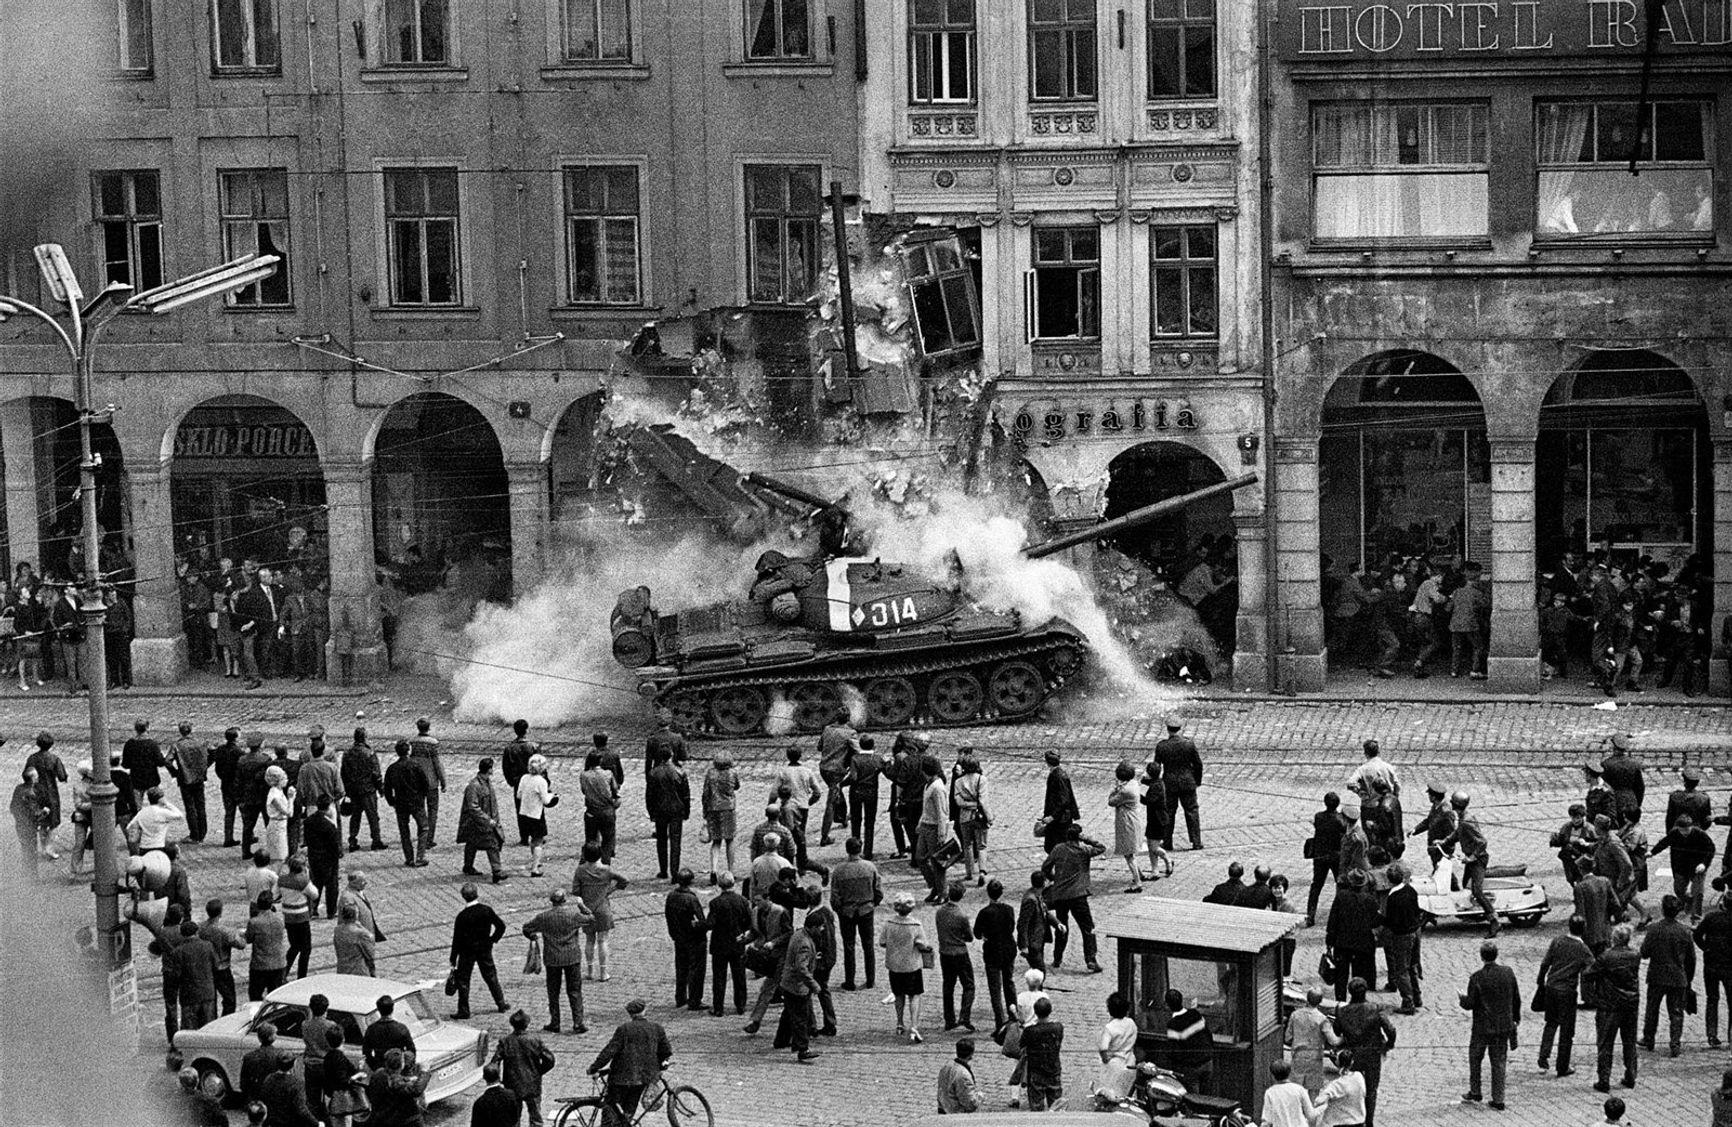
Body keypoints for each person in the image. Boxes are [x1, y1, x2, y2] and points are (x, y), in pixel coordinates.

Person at [588, 999, 672, 1127]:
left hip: (620, 1078)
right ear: (644, 1011)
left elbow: (609, 1051)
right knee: (628, 1112)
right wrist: (661, 1067)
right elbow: (666, 1051)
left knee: (610, 1112)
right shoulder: (657, 1028)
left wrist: (594, 1067)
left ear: (630, 1014)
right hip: (642, 1079)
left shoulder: (624, 1029)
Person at [522, 888, 593, 1034]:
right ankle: (578, 1022)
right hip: (571, 957)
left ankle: (555, 1022)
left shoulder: (543, 917)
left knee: (553, 992)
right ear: (564, 901)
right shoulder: (573, 915)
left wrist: (533, 937)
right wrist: (582, 906)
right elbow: (591, 918)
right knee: (574, 990)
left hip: (552, 958)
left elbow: (527, 928)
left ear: (552, 901)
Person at [1461, 940, 1519, 1111]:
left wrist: (1462, 999)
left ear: (1482, 957)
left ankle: (1475, 1091)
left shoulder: (1476, 978)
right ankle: (1498, 1099)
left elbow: (1470, 1003)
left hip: (1482, 1027)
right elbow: (1516, 998)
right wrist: (1515, 1019)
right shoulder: (1508, 973)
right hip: (1502, 1026)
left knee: (1475, 1057)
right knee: (1499, 1061)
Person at [1638, 892, 1696, 1056]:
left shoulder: (1654, 929)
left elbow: (1644, 953)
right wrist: (1688, 979)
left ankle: (1649, 1038)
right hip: (1678, 977)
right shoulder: (1684, 931)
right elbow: (1691, 959)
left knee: (1652, 1009)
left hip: (1657, 976)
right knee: (1676, 1012)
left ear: (1663, 910)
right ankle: (1675, 1043)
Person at [1043, 823, 1106, 973]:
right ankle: (1090, 959)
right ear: (1079, 836)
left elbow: (1045, 867)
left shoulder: (1058, 849)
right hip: (1078, 895)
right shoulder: (1084, 850)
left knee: (1061, 926)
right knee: (1087, 928)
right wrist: (1087, 839)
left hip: (1060, 895)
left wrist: (1054, 879)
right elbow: (1101, 847)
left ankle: (1057, 958)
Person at [1332, 977, 1394, 1127]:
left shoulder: (1342, 1011)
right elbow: (1390, 1030)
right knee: (1371, 1089)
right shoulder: (1375, 1008)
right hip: (1372, 1054)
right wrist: (1388, 1045)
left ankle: (1355, 1119)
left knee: (1353, 1087)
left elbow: (1336, 1031)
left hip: (1353, 1054)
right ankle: (1369, 1121)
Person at [1537, 915, 1593, 1077]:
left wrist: (1541, 981)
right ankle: (1562, 1066)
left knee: (1551, 1023)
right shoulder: (1583, 949)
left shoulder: (1557, 941)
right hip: (1567, 992)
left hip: (1551, 987)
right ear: (1584, 929)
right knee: (1567, 1030)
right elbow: (1592, 969)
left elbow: (1545, 963)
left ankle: (1543, 1056)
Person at [1589, 922, 1642, 1093]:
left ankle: (1604, 1079)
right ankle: (1631, 1075)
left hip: (1609, 1005)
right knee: (1629, 1042)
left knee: (1605, 1043)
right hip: (1630, 1003)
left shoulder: (1606, 957)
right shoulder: (1635, 955)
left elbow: (1589, 974)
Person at [1441, 789, 1499, 937]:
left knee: (1477, 891)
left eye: (1452, 803)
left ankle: (1494, 921)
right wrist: (1444, 841)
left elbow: (1482, 842)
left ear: (1456, 805)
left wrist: (1472, 857)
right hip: (1471, 859)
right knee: (1465, 885)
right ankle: (1474, 912)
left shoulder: (1467, 821)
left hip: (1478, 860)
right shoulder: (1462, 818)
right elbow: (1458, 834)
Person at [451, 881, 510, 1019]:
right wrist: (492, 940)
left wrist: (453, 958)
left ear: (463, 897)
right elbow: (501, 926)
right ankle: (501, 1003)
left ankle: (464, 1010)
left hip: (467, 951)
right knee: (491, 976)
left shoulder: (462, 916)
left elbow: (457, 939)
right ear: (477, 894)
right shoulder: (486, 910)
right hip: (484, 948)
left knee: (463, 980)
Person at [773, 899, 823, 1062]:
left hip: (787, 983)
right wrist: (813, 985)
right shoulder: (805, 943)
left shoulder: (798, 934)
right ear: (813, 927)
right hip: (797, 986)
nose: (821, 930)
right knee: (801, 1018)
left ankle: (780, 1040)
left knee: (789, 1013)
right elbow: (801, 968)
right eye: (820, 927)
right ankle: (803, 1049)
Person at [881, 891, 933, 1043]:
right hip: (911, 965)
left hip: (894, 965)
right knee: (914, 995)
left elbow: (882, 942)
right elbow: (923, 944)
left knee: (898, 995)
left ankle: (899, 1022)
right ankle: (914, 1025)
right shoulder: (915, 925)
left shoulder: (889, 923)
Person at [831, 836, 881, 991]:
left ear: (847, 850)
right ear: (860, 849)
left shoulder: (839, 870)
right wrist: (872, 904)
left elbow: (834, 896)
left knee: (849, 946)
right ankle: (870, 979)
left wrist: (839, 910)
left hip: (847, 911)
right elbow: (878, 891)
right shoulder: (870, 867)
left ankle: (850, 981)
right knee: (868, 945)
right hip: (866, 909)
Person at [573, 841, 628, 981]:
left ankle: (590, 971)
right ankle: (604, 973)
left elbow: (576, 890)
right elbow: (624, 880)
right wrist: (610, 890)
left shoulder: (580, 870)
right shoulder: (606, 870)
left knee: (589, 940)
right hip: (603, 908)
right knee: (603, 940)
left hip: (587, 909)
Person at [1326, 869, 1379, 1002]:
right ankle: (1358, 1000)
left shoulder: (1341, 896)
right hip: (1362, 944)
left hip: (1342, 943)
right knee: (1359, 975)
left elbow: (1333, 920)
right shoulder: (1369, 899)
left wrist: (1329, 941)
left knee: (1341, 976)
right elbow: (1375, 921)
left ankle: (1340, 1001)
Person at [1650, 814, 1716, 920]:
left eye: (1687, 830)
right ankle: (1688, 901)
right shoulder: (1674, 833)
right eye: (1682, 830)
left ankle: (1696, 916)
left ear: (1691, 826)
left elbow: (1711, 848)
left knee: (1697, 892)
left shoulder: (1700, 834)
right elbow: (1664, 842)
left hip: (1697, 867)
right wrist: (1652, 852)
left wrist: (1704, 864)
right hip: (1681, 867)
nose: (1685, 833)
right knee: (1678, 889)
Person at [973, 878, 1017, 1030]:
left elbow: (977, 933)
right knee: (1009, 982)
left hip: (992, 951)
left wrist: (985, 935)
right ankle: (1013, 1015)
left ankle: (1000, 1022)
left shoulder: (984, 912)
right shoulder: (1009, 909)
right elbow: (1011, 928)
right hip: (1008, 949)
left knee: (995, 988)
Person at [494, 1010, 551, 1127]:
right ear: (527, 1024)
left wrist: (498, 1080)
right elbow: (550, 1060)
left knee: (514, 1119)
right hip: (533, 1084)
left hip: (512, 1086)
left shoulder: (505, 1041)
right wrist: (539, 1072)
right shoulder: (535, 1040)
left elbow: (495, 1062)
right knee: (536, 1118)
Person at [1154, 717, 1204, 850]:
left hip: (1169, 784)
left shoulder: (1162, 746)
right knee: (1192, 811)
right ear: (1180, 728)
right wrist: (1197, 781)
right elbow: (1198, 764)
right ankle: (1196, 842)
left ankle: (1167, 842)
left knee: (1168, 812)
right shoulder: (1189, 744)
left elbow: (1156, 766)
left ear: (1168, 729)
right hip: (1188, 782)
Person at [706, 871, 752, 1016]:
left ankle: (718, 1007)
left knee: (719, 977)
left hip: (720, 945)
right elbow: (749, 921)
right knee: (739, 976)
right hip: (737, 943)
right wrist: (741, 932)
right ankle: (740, 1005)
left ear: (720, 885)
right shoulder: (742, 901)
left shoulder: (715, 903)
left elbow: (710, 923)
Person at [458, 758, 510, 884]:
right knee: (492, 844)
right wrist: (487, 820)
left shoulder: (486, 782)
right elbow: (473, 807)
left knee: (472, 843)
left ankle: (468, 866)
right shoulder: (474, 786)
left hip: (481, 821)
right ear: (489, 769)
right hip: (477, 822)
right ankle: (497, 871)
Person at [934, 881, 976, 1032]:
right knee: (968, 985)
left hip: (945, 953)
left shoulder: (940, 912)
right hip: (960, 953)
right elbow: (970, 937)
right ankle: (964, 1015)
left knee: (948, 985)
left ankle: (949, 1019)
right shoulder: (961, 916)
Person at [1382, 861, 1423, 1013]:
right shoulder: (1410, 890)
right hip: (1415, 931)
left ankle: (1408, 1002)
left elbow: (1392, 922)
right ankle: (1417, 996)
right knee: (1412, 966)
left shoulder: (1393, 898)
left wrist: (1380, 919)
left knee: (1401, 970)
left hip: (1402, 936)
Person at [382, 739, 431, 867]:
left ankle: (409, 858)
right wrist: (422, 796)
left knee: (404, 831)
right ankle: (420, 856)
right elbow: (425, 783)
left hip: (400, 803)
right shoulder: (415, 765)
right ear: (409, 751)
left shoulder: (392, 768)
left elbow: (387, 788)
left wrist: (391, 802)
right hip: (416, 802)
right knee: (424, 828)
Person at [1284, 987, 1339, 1098]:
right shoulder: (1322, 1019)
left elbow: (1287, 1038)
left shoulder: (1295, 1015)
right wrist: (1343, 1038)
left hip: (1298, 1056)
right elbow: (1333, 1041)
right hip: (1315, 1058)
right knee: (1313, 1091)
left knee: (1295, 1090)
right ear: (1320, 1001)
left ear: (1307, 999)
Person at [645, 748, 690, 881]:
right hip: (676, 810)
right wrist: (686, 811)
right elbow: (686, 795)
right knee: (675, 842)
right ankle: (675, 872)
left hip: (660, 810)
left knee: (661, 840)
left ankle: (663, 870)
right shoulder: (680, 772)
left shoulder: (653, 773)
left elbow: (649, 796)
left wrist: (651, 812)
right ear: (671, 755)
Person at [817, 708, 858, 847]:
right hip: (836, 771)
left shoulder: (827, 729)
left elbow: (819, 747)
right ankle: (824, 836)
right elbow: (858, 751)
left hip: (824, 769)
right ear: (848, 718)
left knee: (836, 791)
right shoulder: (850, 733)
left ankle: (842, 818)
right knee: (831, 802)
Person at [341, 729, 387, 852]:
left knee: (355, 816)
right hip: (368, 789)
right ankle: (376, 840)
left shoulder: (347, 753)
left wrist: (347, 788)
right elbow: (376, 773)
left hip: (354, 789)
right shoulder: (369, 753)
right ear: (365, 738)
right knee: (373, 816)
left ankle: (352, 840)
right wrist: (381, 788)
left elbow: (343, 773)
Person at [1306, 791, 1349, 925]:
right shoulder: (1340, 820)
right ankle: (1340, 914)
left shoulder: (1318, 816)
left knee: (1316, 885)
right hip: (1336, 856)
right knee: (1340, 884)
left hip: (1320, 855)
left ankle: (1310, 915)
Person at [200, 899, 248, 1015]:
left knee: (211, 1000)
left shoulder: (201, 928)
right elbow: (241, 944)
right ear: (220, 913)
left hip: (207, 968)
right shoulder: (224, 931)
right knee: (229, 999)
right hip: (222, 968)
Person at [1699, 888, 1732, 1047]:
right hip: (1729, 966)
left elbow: (1697, 935)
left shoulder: (1711, 917)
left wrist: (1705, 948)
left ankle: (1712, 1035)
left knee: (1712, 999)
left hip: (1711, 964)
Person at [1019, 996, 1064, 1112]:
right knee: (1056, 1105)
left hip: (1036, 1071)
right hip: (1053, 1069)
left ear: (1035, 1012)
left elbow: (1021, 1044)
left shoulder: (1030, 1031)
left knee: (1036, 1106)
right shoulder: (1058, 1027)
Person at [165, 724, 208, 846]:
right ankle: (202, 833)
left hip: (185, 778)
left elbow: (167, 761)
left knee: (190, 807)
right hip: (199, 777)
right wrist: (204, 769)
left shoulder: (177, 745)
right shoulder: (199, 743)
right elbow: (210, 753)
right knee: (200, 806)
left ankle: (194, 834)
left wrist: (175, 773)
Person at [700, 751, 739, 882]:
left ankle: (714, 869)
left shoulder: (710, 774)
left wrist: (705, 811)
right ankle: (731, 870)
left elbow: (705, 793)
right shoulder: (732, 773)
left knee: (716, 841)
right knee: (730, 839)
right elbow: (737, 786)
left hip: (713, 808)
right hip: (728, 808)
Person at [407, 716, 446, 845]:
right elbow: (437, 764)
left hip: (416, 782)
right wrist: (443, 781)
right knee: (432, 810)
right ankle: (429, 839)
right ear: (429, 728)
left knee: (420, 809)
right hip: (431, 781)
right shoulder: (433, 743)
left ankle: (422, 833)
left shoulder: (412, 742)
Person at [952, 752, 989, 886]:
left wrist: (968, 804)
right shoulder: (981, 779)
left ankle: (969, 873)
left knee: (967, 845)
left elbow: (958, 801)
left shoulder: (958, 781)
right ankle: (982, 872)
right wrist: (989, 817)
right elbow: (983, 801)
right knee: (982, 845)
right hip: (979, 816)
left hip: (964, 816)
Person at [845, 735, 884, 860]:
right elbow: (887, 771)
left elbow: (853, 777)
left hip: (856, 792)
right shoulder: (877, 758)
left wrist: (842, 783)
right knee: (870, 822)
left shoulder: (855, 758)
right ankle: (868, 851)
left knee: (856, 821)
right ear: (873, 745)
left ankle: (855, 849)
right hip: (871, 792)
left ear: (860, 745)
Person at [245, 891, 289, 1000]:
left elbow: (249, 939)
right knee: (275, 996)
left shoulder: (254, 922)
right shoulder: (279, 919)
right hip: (278, 962)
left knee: (255, 995)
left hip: (260, 963)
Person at [1107, 761, 1143, 893]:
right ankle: (1139, 874)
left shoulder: (1125, 790)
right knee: (1131, 850)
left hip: (1127, 823)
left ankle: (1137, 882)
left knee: (1128, 854)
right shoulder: (1133, 784)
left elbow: (1111, 801)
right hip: (1134, 820)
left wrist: (1115, 789)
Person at [579, 751, 622, 864]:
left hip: (592, 811)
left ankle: (589, 864)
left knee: (591, 839)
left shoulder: (584, 775)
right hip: (607, 810)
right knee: (608, 840)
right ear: (600, 761)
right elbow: (615, 789)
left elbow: (583, 790)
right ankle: (605, 863)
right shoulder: (608, 774)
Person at [278, 857, 317, 980]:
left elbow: (275, 894)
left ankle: (283, 973)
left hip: (288, 917)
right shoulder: (303, 881)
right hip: (301, 916)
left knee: (294, 946)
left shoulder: (282, 880)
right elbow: (314, 894)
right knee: (306, 949)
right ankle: (302, 976)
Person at [305, 796, 343, 918]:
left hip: (314, 856)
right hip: (328, 858)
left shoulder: (308, 821)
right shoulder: (329, 826)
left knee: (316, 882)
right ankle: (331, 911)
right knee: (331, 885)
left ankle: (313, 908)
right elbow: (334, 845)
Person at [501, 719, 538, 843]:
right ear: (526, 730)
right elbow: (540, 765)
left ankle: (524, 837)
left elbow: (505, 767)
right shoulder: (533, 746)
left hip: (518, 782)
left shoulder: (509, 748)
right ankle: (536, 835)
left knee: (520, 809)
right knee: (535, 807)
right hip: (533, 781)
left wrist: (510, 781)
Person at [1096, 991, 1138, 1098]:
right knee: (1125, 1092)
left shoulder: (1110, 1028)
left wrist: (1106, 1060)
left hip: (1115, 1066)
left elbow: (1103, 1048)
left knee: (1111, 1095)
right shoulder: (1131, 1023)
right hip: (1130, 1062)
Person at [1311, 1049, 1368, 1127]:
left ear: (1337, 1063)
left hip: (1341, 1123)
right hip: (1359, 1121)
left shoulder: (1336, 1085)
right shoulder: (1359, 1076)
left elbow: (1319, 1101)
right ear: (1352, 1062)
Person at [10, 766, 46, 880]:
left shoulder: (18, 789)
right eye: (36, 776)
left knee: (25, 849)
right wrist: (44, 812)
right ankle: (32, 876)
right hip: (29, 826)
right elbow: (35, 813)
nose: (38, 777)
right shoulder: (31, 793)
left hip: (19, 825)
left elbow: (12, 807)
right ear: (32, 779)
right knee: (31, 851)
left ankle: (26, 874)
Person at [1039, 750, 1079, 854]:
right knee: (1053, 846)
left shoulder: (1057, 776)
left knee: (1055, 846)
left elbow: (1064, 800)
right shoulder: (1059, 774)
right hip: (1060, 817)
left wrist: (1052, 817)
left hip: (1060, 819)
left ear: (1047, 762)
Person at [1018, 870, 1059, 972]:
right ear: (1044, 882)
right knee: (1040, 971)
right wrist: (1024, 945)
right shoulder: (1030, 900)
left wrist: (1057, 923)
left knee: (1039, 971)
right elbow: (1023, 923)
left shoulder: (1037, 895)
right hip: (1033, 942)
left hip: (1039, 939)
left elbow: (1044, 912)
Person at [240, 1022, 290, 1104]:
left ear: (259, 1038)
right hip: (276, 1097)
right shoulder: (281, 1055)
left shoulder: (249, 1057)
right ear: (272, 1037)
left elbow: (244, 1084)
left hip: (256, 1096)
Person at [361, 993, 415, 1069]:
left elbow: (366, 1053)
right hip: (398, 1067)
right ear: (392, 1009)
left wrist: (375, 1067)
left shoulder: (371, 1029)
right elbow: (411, 1050)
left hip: (380, 1067)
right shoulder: (401, 1028)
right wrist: (405, 1066)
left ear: (378, 1010)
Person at [1600, 734, 1645, 823]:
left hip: (1614, 802)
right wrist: (1637, 803)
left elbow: (1603, 787)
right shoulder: (1634, 764)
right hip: (1631, 802)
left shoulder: (1606, 764)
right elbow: (1640, 787)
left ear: (1613, 747)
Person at [1141, 760, 1171, 880]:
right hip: (1154, 820)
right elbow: (1149, 782)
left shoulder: (1156, 787)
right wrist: (1143, 780)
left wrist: (1137, 795)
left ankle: (1167, 859)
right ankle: (1155, 870)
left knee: (1154, 847)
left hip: (1158, 821)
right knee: (1151, 846)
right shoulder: (1158, 782)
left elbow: (1148, 801)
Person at [936, 1036, 982, 1114]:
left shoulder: (946, 1067)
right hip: (956, 1113)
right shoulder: (963, 1075)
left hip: (943, 1109)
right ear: (971, 1054)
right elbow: (970, 1104)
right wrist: (979, 1096)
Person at [1260, 1059, 1313, 1127]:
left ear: (1272, 1076)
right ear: (1289, 1073)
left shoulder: (1270, 1092)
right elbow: (1310, 1115)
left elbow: (1267, 1120)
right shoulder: (1300, 1089)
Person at [471, 1063, 523, 1127]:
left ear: (484, 1077)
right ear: (499, 1076)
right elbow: (515, 1118)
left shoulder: (479, 1103)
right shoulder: (510, 1095)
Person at [334, 901, 377, 976]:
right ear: (355, 915)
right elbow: (370, 952)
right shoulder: (360, 933)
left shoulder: (338, 930)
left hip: (342, 969)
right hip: (358, 970)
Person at [261, 765, 294, 864]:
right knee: (279, 857)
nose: (286, 780)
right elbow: (289, 813)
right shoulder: (274, 796)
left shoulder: (279, 791)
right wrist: (291, 798)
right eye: (284, 778)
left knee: (282, 855)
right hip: (276, 826)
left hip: (281, 825)